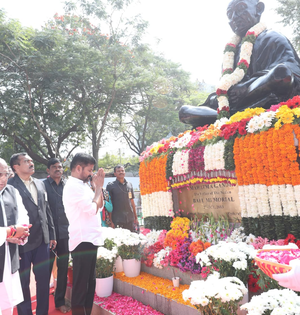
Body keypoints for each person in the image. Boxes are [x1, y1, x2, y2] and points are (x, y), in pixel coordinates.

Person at [179, 0, 300, 127]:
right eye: (230, 14)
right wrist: (221, 95)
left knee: (280, 74)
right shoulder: (231, 53)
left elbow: (291, 70)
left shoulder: (272, 37)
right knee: (185, 112)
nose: (234, 17)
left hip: (258, 92)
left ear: (259, 9)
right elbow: (226, 85)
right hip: (236, 102)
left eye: (240, 9)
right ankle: (225, 117)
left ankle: (226, 117)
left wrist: (243, 88)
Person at [8, 153, 56, 315]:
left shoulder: (40, 184)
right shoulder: (9, 186)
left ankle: (42, 312)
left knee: (43, 281)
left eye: (31, 160)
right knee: (23, 282)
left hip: (42, 240)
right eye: (26, 161)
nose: (31, 163)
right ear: (16, 167)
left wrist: (51, 234)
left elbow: (46, 209)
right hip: (22, 242)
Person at [62, 153, 105, 315]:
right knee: (81, 285)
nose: (91, 174)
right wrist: (98, 187)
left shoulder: (83, 185)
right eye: (89, 170)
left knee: (89, 283)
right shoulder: (73, 186)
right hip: (82, 240)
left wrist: (96, 188)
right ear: (78, 168)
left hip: (90, 239)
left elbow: (98, 206)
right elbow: (91, 208)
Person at [0, 158, 31, 315]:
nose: (2, 179)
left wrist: (20, 235)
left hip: (9, 257)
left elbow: (23, 218)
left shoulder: (12, 191)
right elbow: (12, 229)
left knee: (7, 305)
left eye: (4, 174)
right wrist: (10, 232)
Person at [44, 158, 70, 313]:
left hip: (66, 234)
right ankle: (42, 303)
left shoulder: (68, 186)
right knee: (45, 270)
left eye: (60, 167)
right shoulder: (42, 186)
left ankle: (59, 301)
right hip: (48, 236)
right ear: (48, 170)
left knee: (63, 268)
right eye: (54, 167)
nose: (58, 169)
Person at [106, 165, 138, 232]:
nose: (121, 172)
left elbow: (132, 201)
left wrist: (135, 217)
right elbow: (109, 204)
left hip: (130, 218)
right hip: (117, 219)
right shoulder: (110, 186)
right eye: (118, 171)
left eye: (122, 171)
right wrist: (110, 221)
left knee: (132, 239)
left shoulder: (129, 184)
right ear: (115, 173)